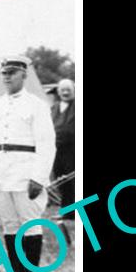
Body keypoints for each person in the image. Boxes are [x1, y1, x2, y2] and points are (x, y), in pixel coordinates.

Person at [0, 55, 57, 272]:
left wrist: (39, 177)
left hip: (26, 170)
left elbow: (47, 143)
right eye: (4, 73)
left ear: (23, 75)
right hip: (1, 171)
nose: (7, 77)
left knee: (30, 222)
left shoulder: (36, 105)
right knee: (9, 224)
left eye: (12, 73)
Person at [51, 78, 75, 209]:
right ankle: (67, 210)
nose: (65, 93)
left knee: (74, 180)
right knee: (61, 180)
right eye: (62, 90)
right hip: (57, 150)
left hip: (73, 150)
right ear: (58, 92)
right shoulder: (54, 107)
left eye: (69, 90)